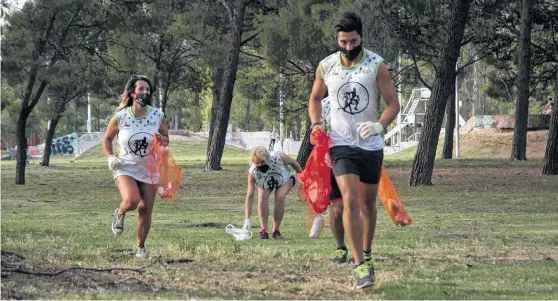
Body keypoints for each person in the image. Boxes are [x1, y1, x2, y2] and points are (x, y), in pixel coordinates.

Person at [307, 12, 400, 289]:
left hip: (370, 144)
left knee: (368, 204)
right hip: (341, 144)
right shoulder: (326, 66)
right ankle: (361, 265)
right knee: (349, 201)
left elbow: (393, 103)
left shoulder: (376, 65)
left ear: (361, 37)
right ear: (337, 40)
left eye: (353, 41)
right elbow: (314, 98)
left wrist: (379, 126)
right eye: (343, 42)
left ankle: (367, 251)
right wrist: (316, 123)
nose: (348, 47)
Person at [103, 75, 169, 258]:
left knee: (146, 208)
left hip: (149, 168)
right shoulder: (121, 116)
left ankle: (140, 247)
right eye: (141, 89)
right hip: (125, 167)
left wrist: (161, 139)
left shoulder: (158, 115)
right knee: (132, 200)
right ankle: (120, 212)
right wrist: (110, 157)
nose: (145, 93)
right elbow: (107, 138)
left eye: (147, 90)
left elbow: (166, 138)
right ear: (132, 93)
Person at [242, 146, 302, 239]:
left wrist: (303, 177)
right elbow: (250, 196)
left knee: (280, 196)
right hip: (267, 181)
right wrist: (247, 220)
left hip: (285, 178)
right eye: (257, 163)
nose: (260, 165)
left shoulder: (279, 157)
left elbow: (293, 162)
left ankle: (276, 230)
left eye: (262, 162)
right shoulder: (253, 172)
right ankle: (263, 230)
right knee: (262, 198)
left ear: (268, 158)